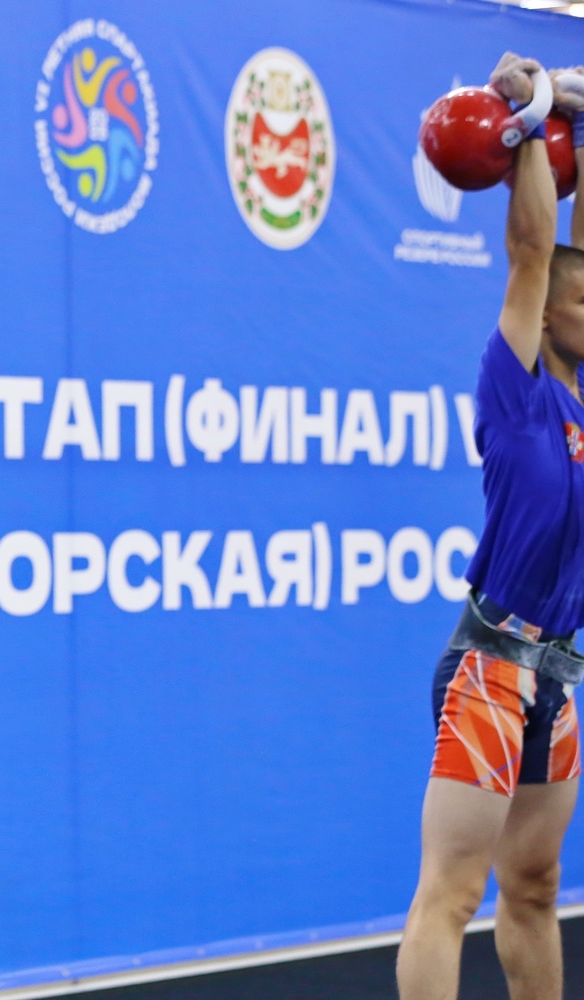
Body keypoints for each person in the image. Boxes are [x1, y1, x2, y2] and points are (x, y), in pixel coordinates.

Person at [397, 54, 584, 1000]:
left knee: (536, 889)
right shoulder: (514, 387)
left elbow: (571, 253)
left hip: (560, 672)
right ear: (542, 317)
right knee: (451, 893)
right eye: (579, 300)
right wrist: (535, 120)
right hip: (488, 668)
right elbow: (533, 251)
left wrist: (579, 128)